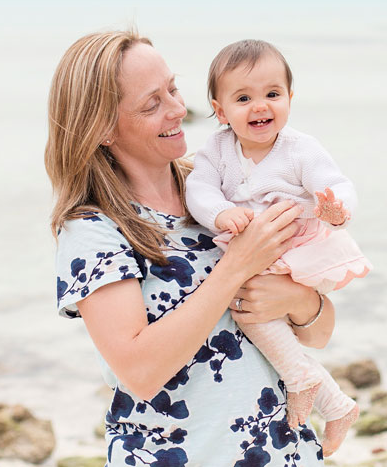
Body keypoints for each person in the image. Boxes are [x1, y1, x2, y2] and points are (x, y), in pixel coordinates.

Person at [47, 29, 331, 466]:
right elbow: (140, 372)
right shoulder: (92, 229)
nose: (179, 109)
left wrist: (299, 299)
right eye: (152, 103)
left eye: (173, 89)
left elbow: (320, 332)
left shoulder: (219, 188)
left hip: (285, 454)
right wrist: (234, 268)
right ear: (103, 128)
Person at [185, 39, 371, 456]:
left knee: (250, 311)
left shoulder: (299, 148)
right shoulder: (215, 150)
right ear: (219, 110)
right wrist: (218, 214)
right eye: (243, 98)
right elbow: (198, 188)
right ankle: (333, 402)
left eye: (272, 94)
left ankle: (308, 385)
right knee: (256, 315)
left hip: (294, 243)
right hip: (254, 247)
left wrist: (338, 209)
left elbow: (337, 185)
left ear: (289, 98)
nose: (260, 106)